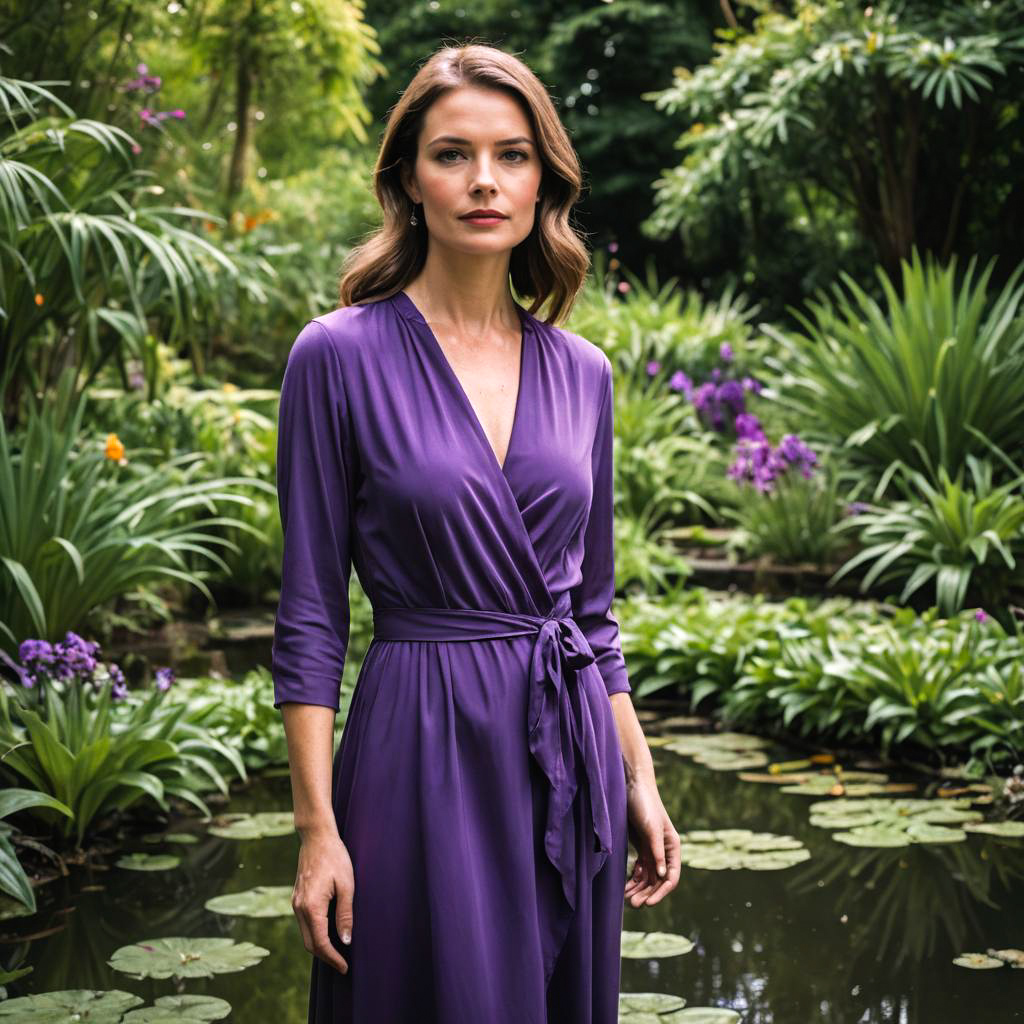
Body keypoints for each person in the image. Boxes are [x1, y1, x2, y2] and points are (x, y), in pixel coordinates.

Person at [271, 41, 681, 1024]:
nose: (484, 181)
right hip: (419, 745)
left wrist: (639, 776)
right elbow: (311, 618)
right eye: (452, 153)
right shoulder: (335, 358)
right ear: (409, 179)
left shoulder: (582, 372)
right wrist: (316, 827)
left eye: (512, 154)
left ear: (544, 178)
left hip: (567, 745)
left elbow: (592, 611)